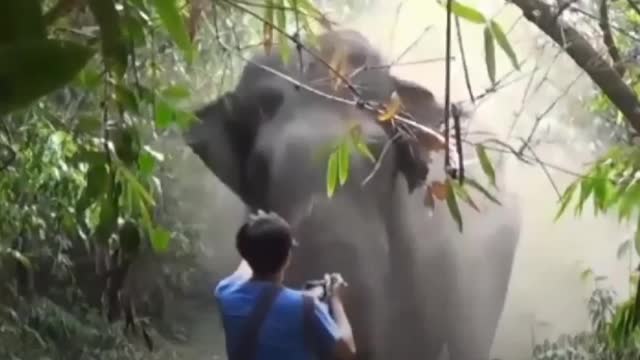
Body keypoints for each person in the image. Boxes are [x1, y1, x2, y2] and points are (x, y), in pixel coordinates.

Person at [214, 210, 357, 360]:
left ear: (243, 252)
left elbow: (244, 268)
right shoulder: (307, 307)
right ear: (288, 257)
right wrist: (336, 299)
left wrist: (260, 235)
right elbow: (347, 353)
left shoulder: (225, 293)